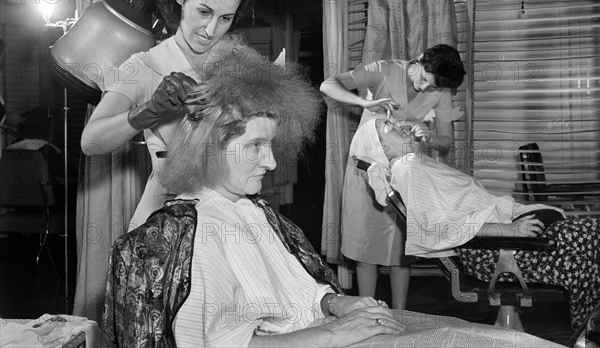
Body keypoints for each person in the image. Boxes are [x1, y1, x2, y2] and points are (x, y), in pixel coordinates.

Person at [102, 51, 566, 348]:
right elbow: (217, 340)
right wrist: (333, 333)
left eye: (272, 146)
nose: (270, 163)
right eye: (256, 147)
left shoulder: (256, 211)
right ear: (210, 147)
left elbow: (294, 287)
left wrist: (333, 305)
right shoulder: (185, 231)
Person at [349, 117, 600, 330]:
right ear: (382, 146)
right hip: (492, 250)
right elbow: (439, 227)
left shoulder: (412, 165)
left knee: (591, 239)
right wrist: (508, 229)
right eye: (388, 126)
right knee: (591, 243)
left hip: (495, 243)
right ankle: (589, 333)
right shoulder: (408, 169)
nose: (397, 124)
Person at [80, 0, 257, 230]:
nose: (211, 30)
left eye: (225, 18)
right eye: (203, 12)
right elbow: (91, 142)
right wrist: (150, 111)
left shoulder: (238, 61)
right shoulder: (143, 66)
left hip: (231, 213)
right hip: (167, 216)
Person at [319, 44, 466, 309]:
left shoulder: (441, 93)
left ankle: (400, 315)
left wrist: (430, 136)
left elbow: (446, 142)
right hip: (367, 167)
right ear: (420, 59)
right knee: (365, 245)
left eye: (430, 86)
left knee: (401, 251)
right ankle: (368, 312)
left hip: (405, 169)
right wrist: (364, 102)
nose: (422, 88)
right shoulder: (383, 70)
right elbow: (328, 85)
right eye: (422, 78)